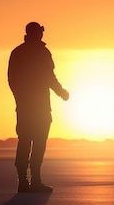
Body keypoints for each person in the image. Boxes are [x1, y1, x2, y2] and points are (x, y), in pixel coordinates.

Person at [8, 22, 69, 193]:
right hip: (39, 106)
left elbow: (12, 80)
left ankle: (26, 182)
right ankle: (32, 181)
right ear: (37, 34)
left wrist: (20, 99)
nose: (42, 35)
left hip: (27, 106)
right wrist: (61, 92)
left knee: (26, 142)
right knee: (36, 143)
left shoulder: (18, 52)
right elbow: (49, 76)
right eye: (40, 32)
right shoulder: (41, 52)